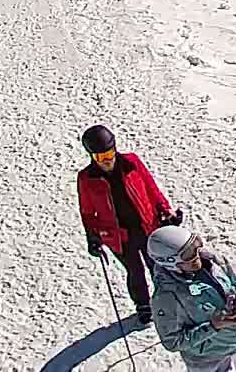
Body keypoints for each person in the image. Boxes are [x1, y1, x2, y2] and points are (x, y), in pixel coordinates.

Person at [76, 125, 178, 326]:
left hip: (146, 226)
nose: (106, 160)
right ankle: (143, 306)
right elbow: (87, 212)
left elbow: (151, 188)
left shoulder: (131, 163)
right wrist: (92, 236)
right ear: (92, 157)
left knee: (157, 267)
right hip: (118, 236)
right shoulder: (86, 179)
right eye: (99, 157)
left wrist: (166, 210)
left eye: (108, 154)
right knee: (135, 271)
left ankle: (167, 301)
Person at [143, 223, 236, 371]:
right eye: (188, 254)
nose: (197, 255)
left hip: (235, 342)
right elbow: (172, 341)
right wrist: (213, 326)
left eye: (196, 245)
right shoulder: (166, 297)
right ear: (170, 262)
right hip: (208, 360)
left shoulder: (212, 260)